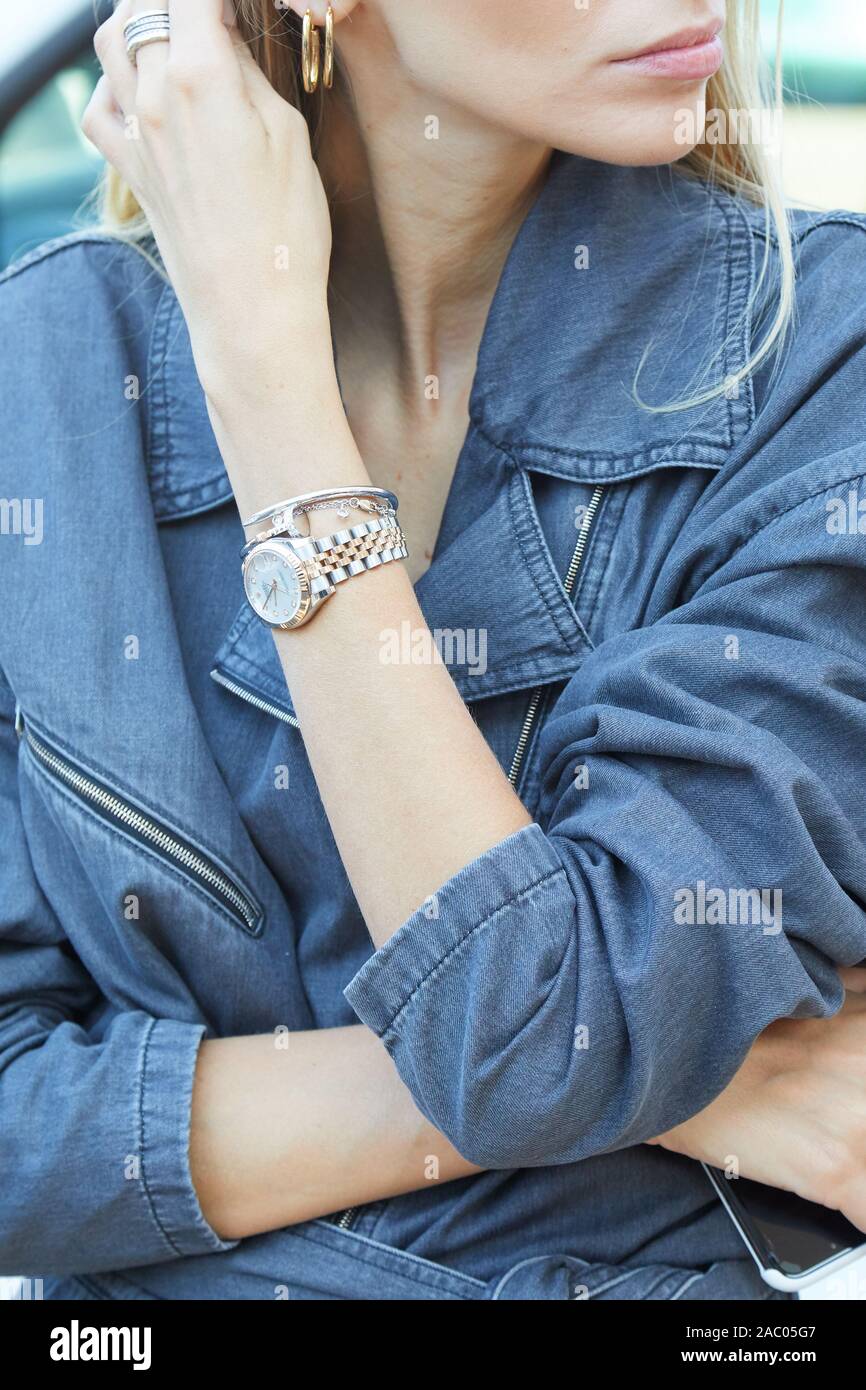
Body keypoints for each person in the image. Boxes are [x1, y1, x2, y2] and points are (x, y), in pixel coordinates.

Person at [1, 0, 866, 1302]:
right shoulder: (48, 376)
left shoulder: (812, 356)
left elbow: (532, 1039)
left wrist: (270, 389)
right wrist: (689, 1088)